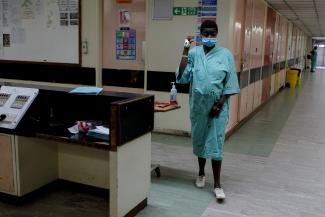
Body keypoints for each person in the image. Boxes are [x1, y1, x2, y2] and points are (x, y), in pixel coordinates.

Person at [175, 20, 240, 200]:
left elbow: (231, 82)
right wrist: (185, 50)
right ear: (201, 35)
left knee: (217, 143)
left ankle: (218, 184)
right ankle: (201, 173)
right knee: (200, 140)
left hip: (218, 108)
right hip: (198, 107)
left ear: (217, 34)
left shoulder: (226, 55)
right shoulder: (194, 53)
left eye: (213, 34)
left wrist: (219, 105)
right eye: (206, 34)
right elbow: (181, 77)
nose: (209, 37)